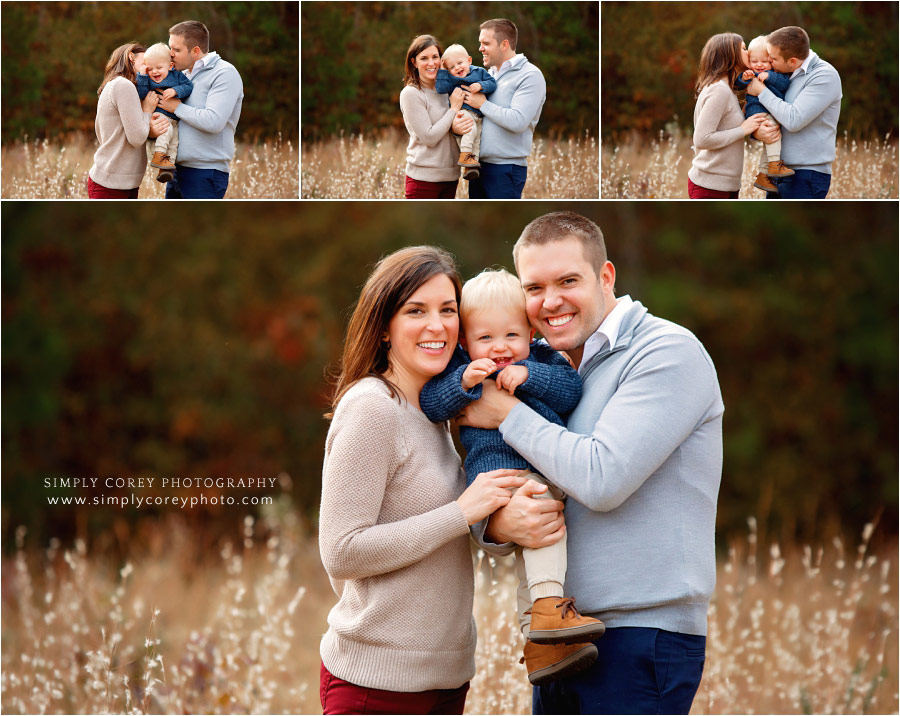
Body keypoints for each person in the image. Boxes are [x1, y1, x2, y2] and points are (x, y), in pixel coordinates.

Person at [461, 212, 724, 714]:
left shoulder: (665, 352)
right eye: (534, 287)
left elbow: (602, 479)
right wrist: (496, 524)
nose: (550, 301)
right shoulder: (543, 365)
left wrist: (508, 414)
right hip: (558, 639)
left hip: (641, 636)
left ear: (605, 277)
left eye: (568, 281)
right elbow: (506, 471)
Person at [318, 246, 528, 715]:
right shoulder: (374, 407)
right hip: (376, 684)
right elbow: (341, 550)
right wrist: (461, 513)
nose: (438, 326)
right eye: (416, 311)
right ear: (385, 327)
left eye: (448, 310)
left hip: (446, 680)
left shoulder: (437, 414)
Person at [419, 269, 604, 686]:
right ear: (466, 341)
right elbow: (431, 403)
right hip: (499, 474)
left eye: (511, 336)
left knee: (532, 554)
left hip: (545, 465)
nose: (500, 348)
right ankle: (548, 608)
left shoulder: (541, 361)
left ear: (530, 332)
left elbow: (570, 390)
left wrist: (530, 375)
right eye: (485, 338)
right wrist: (464, 384)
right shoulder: (462, 368)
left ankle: (539, 644)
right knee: (543, 520)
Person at [745, 26, 842, 199]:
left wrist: (761, 91)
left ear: (792, 61)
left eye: (772, 59)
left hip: (806, 174)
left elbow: (793, 119)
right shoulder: (786, 73)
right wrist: (757, 131)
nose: (769, 64)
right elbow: (772, 111)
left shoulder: (824, 76)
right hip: (778, 172)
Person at [156, 21, 244, 199]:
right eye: (170, 48)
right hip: (176, 171)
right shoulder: (182, 75)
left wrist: (177, 107)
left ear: (195, 51)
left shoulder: (224, 73)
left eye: (176, 50)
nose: (170, 55)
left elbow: (214, 121)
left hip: (205, 173)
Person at [463, 19, 546, 199]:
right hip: (477, 168)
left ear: (504, 44)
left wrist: (482, 104)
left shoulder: (530, 75)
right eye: (480, 43)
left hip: (505, 170)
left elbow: (518, 121)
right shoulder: (487, 75)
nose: (480, 48)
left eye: (486, 43)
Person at [688, 33, 766, 199]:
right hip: (709, 185)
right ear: (730, 55)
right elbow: (702, 139)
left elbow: (724, 126)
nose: (749, 53)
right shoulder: (719, 90)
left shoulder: (726, 89)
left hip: (723, 185)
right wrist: (742, 129)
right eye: (744, 49)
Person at [87, 42, 170, 199]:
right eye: (146, 61)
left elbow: (104, 132)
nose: (151, 67)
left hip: (122, 182)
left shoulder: (115, 85)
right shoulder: (123, 85)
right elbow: (137, 138)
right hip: (110, 184)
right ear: (131, 56)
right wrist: (146, 110)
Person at [400, 35, 471, 199]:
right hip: (423, 180)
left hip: (451, 177)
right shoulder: (412, 93)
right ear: (414, 62)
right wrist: (453, 109)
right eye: (424, 58)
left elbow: (455, 126)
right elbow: (429, 137)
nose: (431, 63)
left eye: (435, 57)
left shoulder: (450, 89)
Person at [733, 35, 794, 194]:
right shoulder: (750, 74)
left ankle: (763, 174)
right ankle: (774, 164)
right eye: (754, 61)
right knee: (773, 134)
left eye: (764, 61)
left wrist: (770, 76)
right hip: (758, 111)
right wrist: (744, 78)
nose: (759, 65)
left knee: (770, 141)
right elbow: (738, 84)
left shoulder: (775, 74)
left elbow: (785, 83)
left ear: (771, 61)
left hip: (772, 111)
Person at [434, 44, 497, 181]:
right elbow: (440, 88)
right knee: (470, 130)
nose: (457, 68)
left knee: (477, 139)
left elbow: (492, 83)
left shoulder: (479, 72)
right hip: (463, 112)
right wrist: (443, 71)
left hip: (479, 115)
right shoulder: (451, 78)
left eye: (460, 63)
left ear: (469, 60)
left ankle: (470, 167)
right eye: (452, 67)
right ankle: (465, 154)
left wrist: (481, 85)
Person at [135, 42, 193, 183]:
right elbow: (141, 94)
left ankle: (166, 169)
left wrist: (175, 91)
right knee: (165, 131)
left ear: (170, 66)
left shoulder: (177, 76)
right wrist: (142, 76)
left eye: (159, 68)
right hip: (160, 114)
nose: (154, 72)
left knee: (174, 142)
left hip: (175, 118)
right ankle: (159, 154)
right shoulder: (147, 79)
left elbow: (188, 86)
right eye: (150, 69)